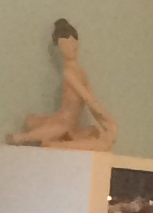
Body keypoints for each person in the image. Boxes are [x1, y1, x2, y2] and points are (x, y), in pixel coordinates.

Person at [9, 20, 118, 150]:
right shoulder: (69, 73)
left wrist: (107, 122)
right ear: (60, 49)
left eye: (72, 43)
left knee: (94, 132)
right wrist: (109, 122)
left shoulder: (80, 72)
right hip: (63, 122)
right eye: (64, 45)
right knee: (62, 128)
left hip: (72, 126)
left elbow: (91, 100)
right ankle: (24, 138)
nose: (70, 48)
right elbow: (87, 98)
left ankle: (52, 143)